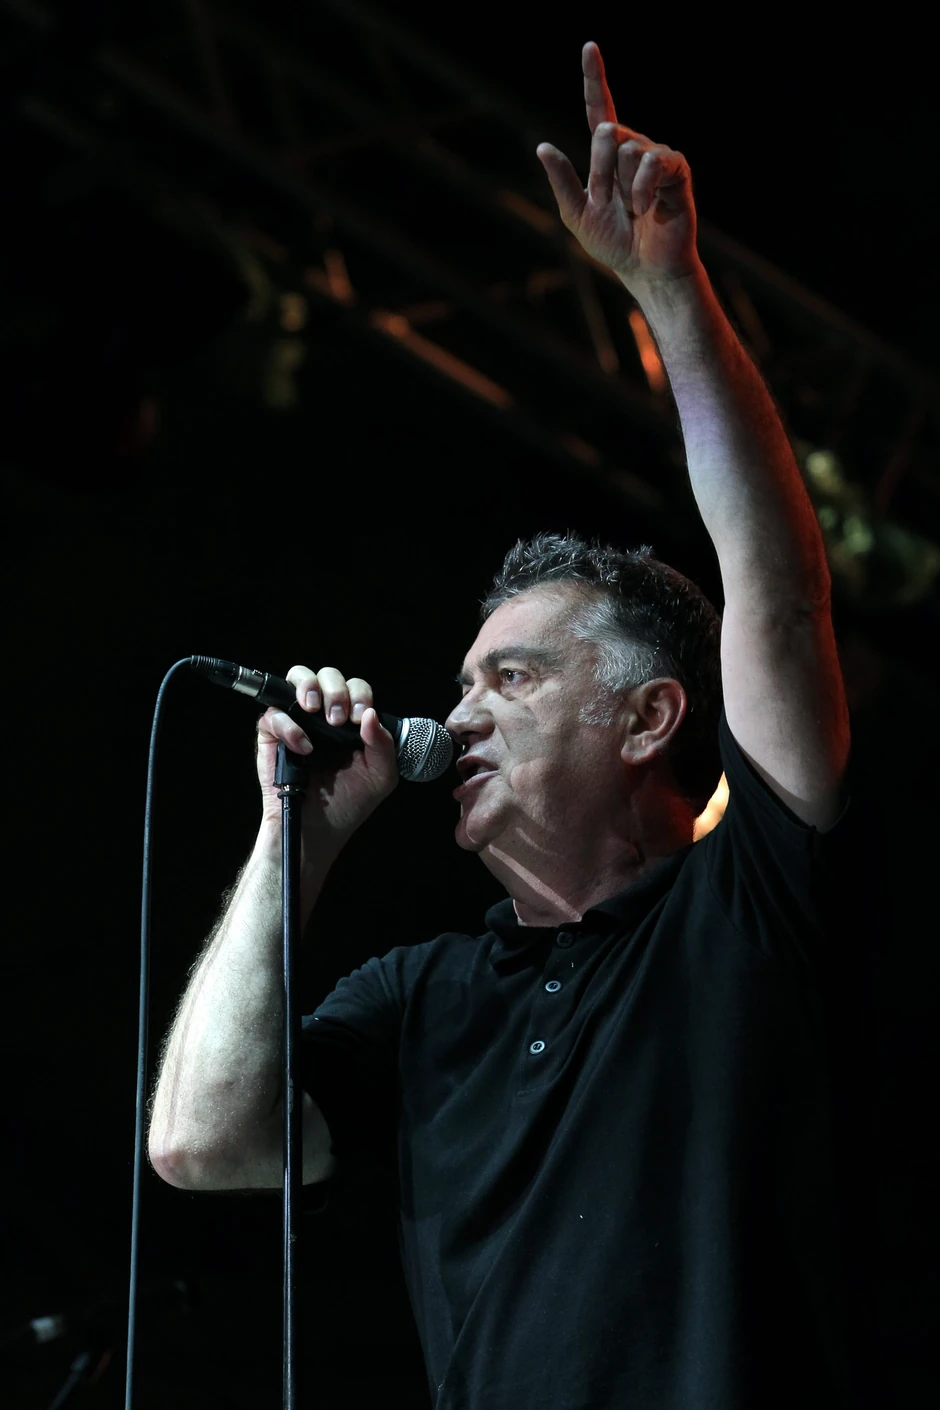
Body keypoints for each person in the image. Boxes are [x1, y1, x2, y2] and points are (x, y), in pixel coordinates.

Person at [148, 41, 869, 1410]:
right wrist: (295, 836)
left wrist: (670, 292)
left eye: (513, 680)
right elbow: (200, 1140)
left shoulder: (743, 905)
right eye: (467, 681)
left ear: (649, 718)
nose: (459, 711)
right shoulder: (425, 996)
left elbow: (777, 600)